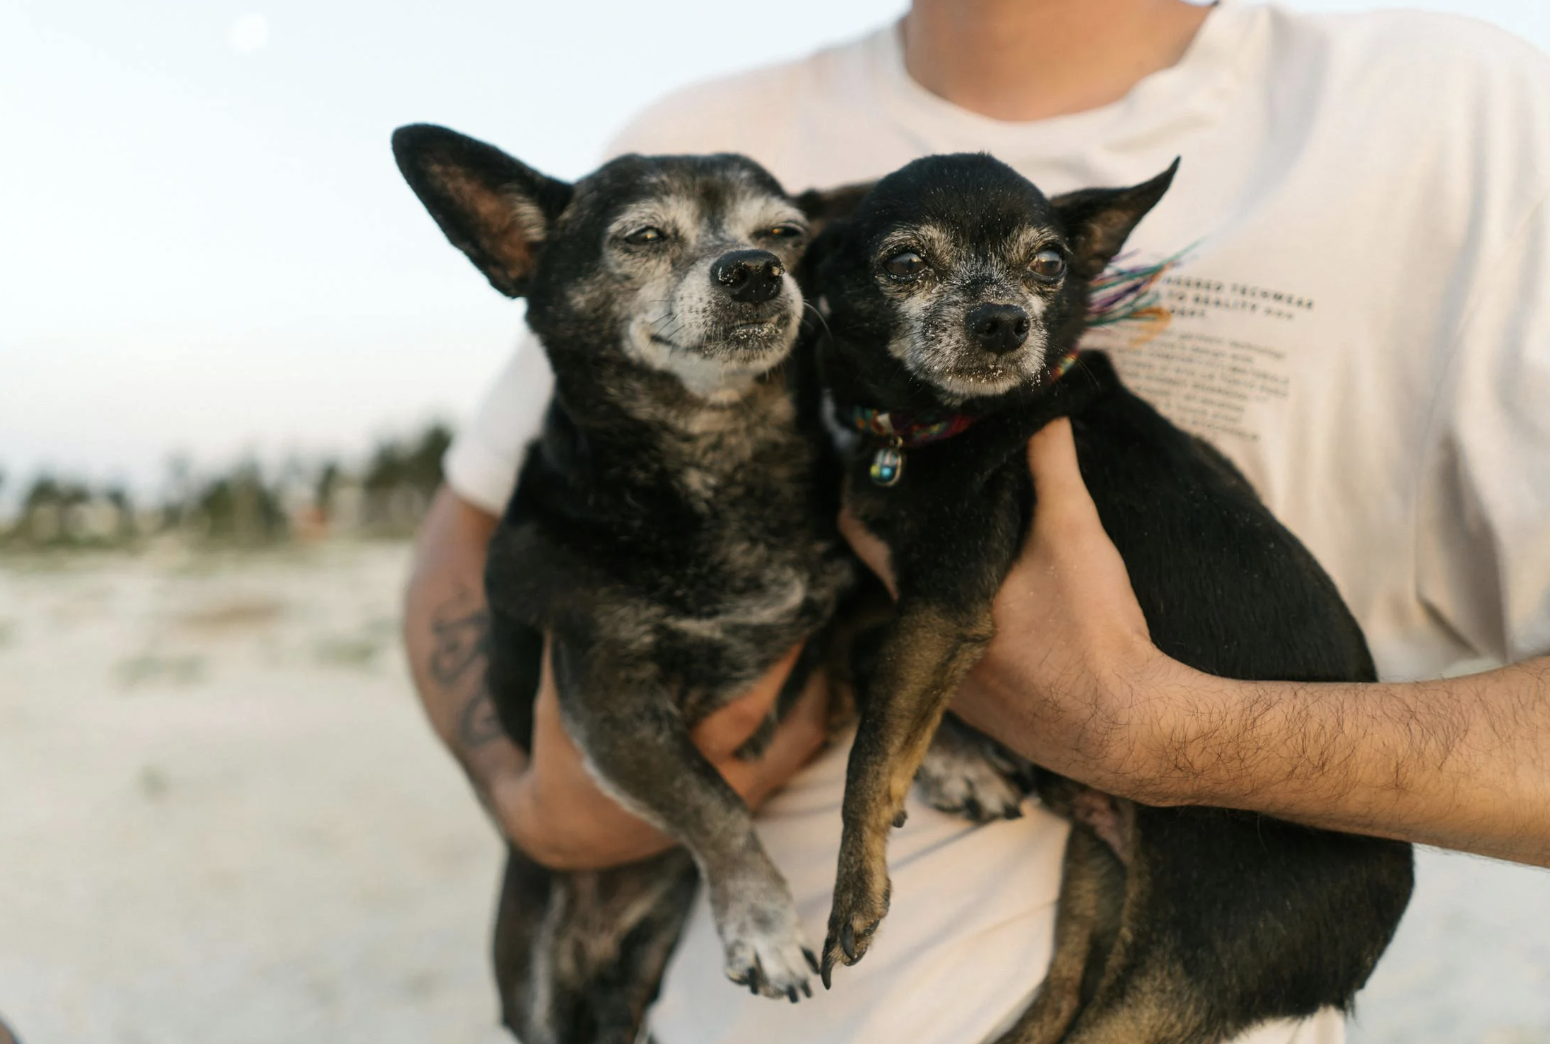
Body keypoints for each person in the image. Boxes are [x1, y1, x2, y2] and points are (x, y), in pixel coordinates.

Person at [403, 1, 1550, 1041]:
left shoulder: (1458, 112)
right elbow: (467, 535)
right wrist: (535, 802)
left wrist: (1152, 733)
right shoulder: (700, 131)